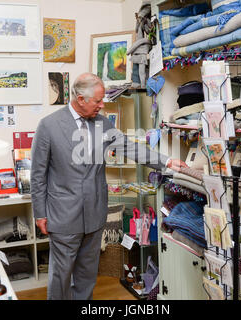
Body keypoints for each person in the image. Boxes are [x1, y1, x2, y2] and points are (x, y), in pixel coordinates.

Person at [31, 72, 188, 300]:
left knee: (86, 276)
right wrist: (40, 213)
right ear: (80, 99)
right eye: (98, 101)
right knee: (61, 277)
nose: (102, 105)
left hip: (95, 215)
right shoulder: (48, 126)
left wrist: (166, 161)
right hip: (62, 216)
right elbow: (37, 175)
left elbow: (130, 148)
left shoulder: (102, 124)